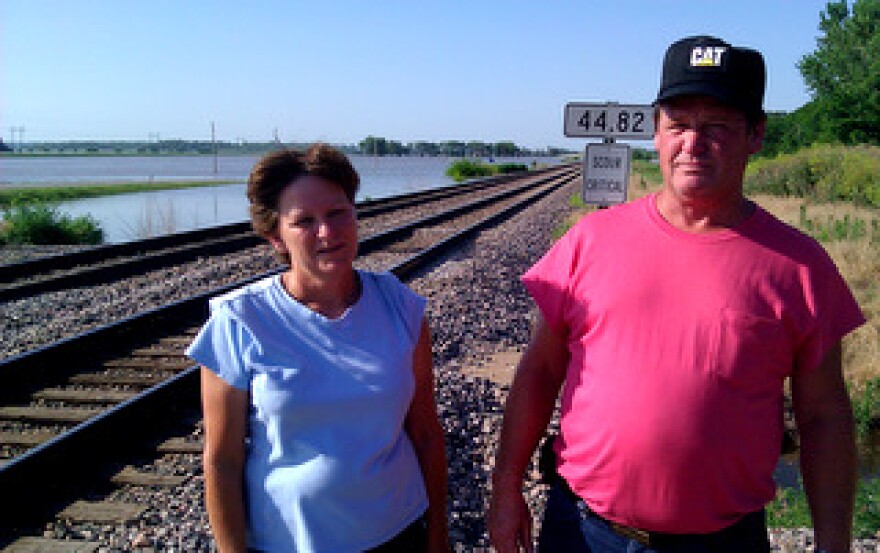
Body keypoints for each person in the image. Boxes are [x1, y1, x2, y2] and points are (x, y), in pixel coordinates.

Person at [488, 35, 865, 553]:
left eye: (717, 128)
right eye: (679, 124)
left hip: (724, 542)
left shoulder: (799, 267)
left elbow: (824, 415)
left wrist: (833, 541)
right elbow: (538, 373)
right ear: (657, 132)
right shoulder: (589, 242)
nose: (693, 143)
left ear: (756, 135)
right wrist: (507, 488)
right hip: (583, 532)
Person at [187, 144, 450, 552]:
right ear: (276, 236)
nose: (327, 232)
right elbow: (222, 461)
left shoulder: (401, 307)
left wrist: (438, 536)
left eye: (337, 212)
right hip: (289, 541)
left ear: (355, 214)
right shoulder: (239, 322)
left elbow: (426, 433)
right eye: (304, 221)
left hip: (399, 532)